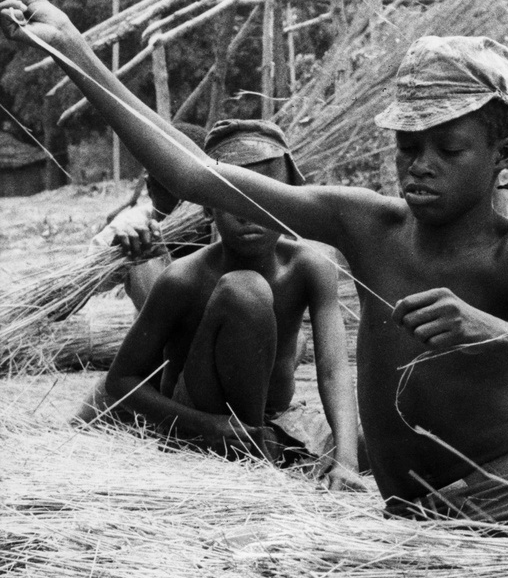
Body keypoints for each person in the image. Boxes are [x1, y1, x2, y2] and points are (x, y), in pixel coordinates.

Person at [1, 0, 508, 528]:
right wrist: (72, 48)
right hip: (417, 514)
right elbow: (198, 174)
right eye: (407, 146)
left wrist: (491, 330)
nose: (420, 164)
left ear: (502, 154)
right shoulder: (367, 223)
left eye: (448, 148)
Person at [81, 118, 360, 489]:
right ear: (207, 208)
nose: (250, 211)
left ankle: (267, 445)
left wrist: (347, 460)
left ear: (290, 201)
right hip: (202, 417)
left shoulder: (310, 266)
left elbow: (333, 370)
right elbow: (121, 380)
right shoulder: (183, 278)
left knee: (377, 444)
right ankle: (256, 456)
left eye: (266, 195)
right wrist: (205, 426)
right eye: (232, 197)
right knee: (244, 290)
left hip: (276, 417)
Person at [93, 122, 213, 311]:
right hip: (160, 338)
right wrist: (114, 262)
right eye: (176, 188)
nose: (189, 202)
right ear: (150, 188)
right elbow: (63, 305)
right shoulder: (131, 226)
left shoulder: (229, 224)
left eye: (200, 190)